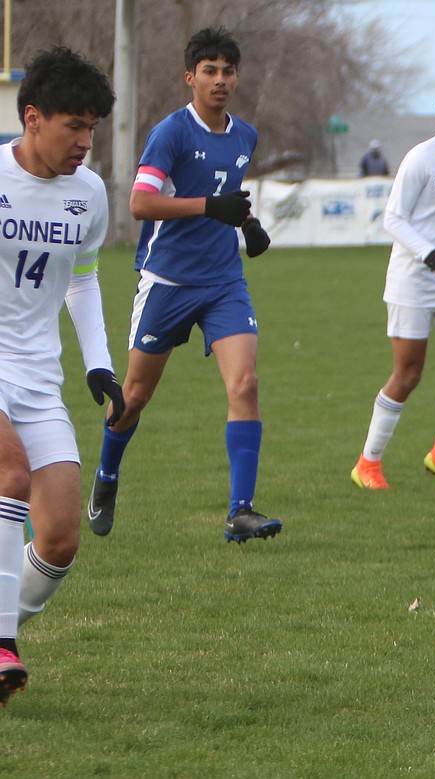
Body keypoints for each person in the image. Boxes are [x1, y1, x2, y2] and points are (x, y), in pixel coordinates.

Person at [87, 27, 280, 544]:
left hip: (223, 282)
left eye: (228, 71)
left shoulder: (245, 135)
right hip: (167, 281)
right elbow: (140, 203)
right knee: (134, 396)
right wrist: (208, 208)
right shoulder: (171, 133)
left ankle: (240, 513)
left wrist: (247, 223)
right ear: (190, 77)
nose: (220, 80)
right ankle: (106, 477)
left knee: (245, 384)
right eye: (209, 71)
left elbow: (226, 192)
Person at [0, 47, 124, 706]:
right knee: (10, 476)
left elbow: (83, 276)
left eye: (92, 128)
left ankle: (0, 629)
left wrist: (99, 362)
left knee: (59, 536)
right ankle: (1, 643)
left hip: (37, 373)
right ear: (32, 117)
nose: (83, 141)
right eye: (72, 125)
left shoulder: (89, 193)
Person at [350, 81, 435, 494]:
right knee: (408, 374)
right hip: (414, 279)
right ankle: (367, 463)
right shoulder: (422, 158)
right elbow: (393, 219)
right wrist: (434, 259)